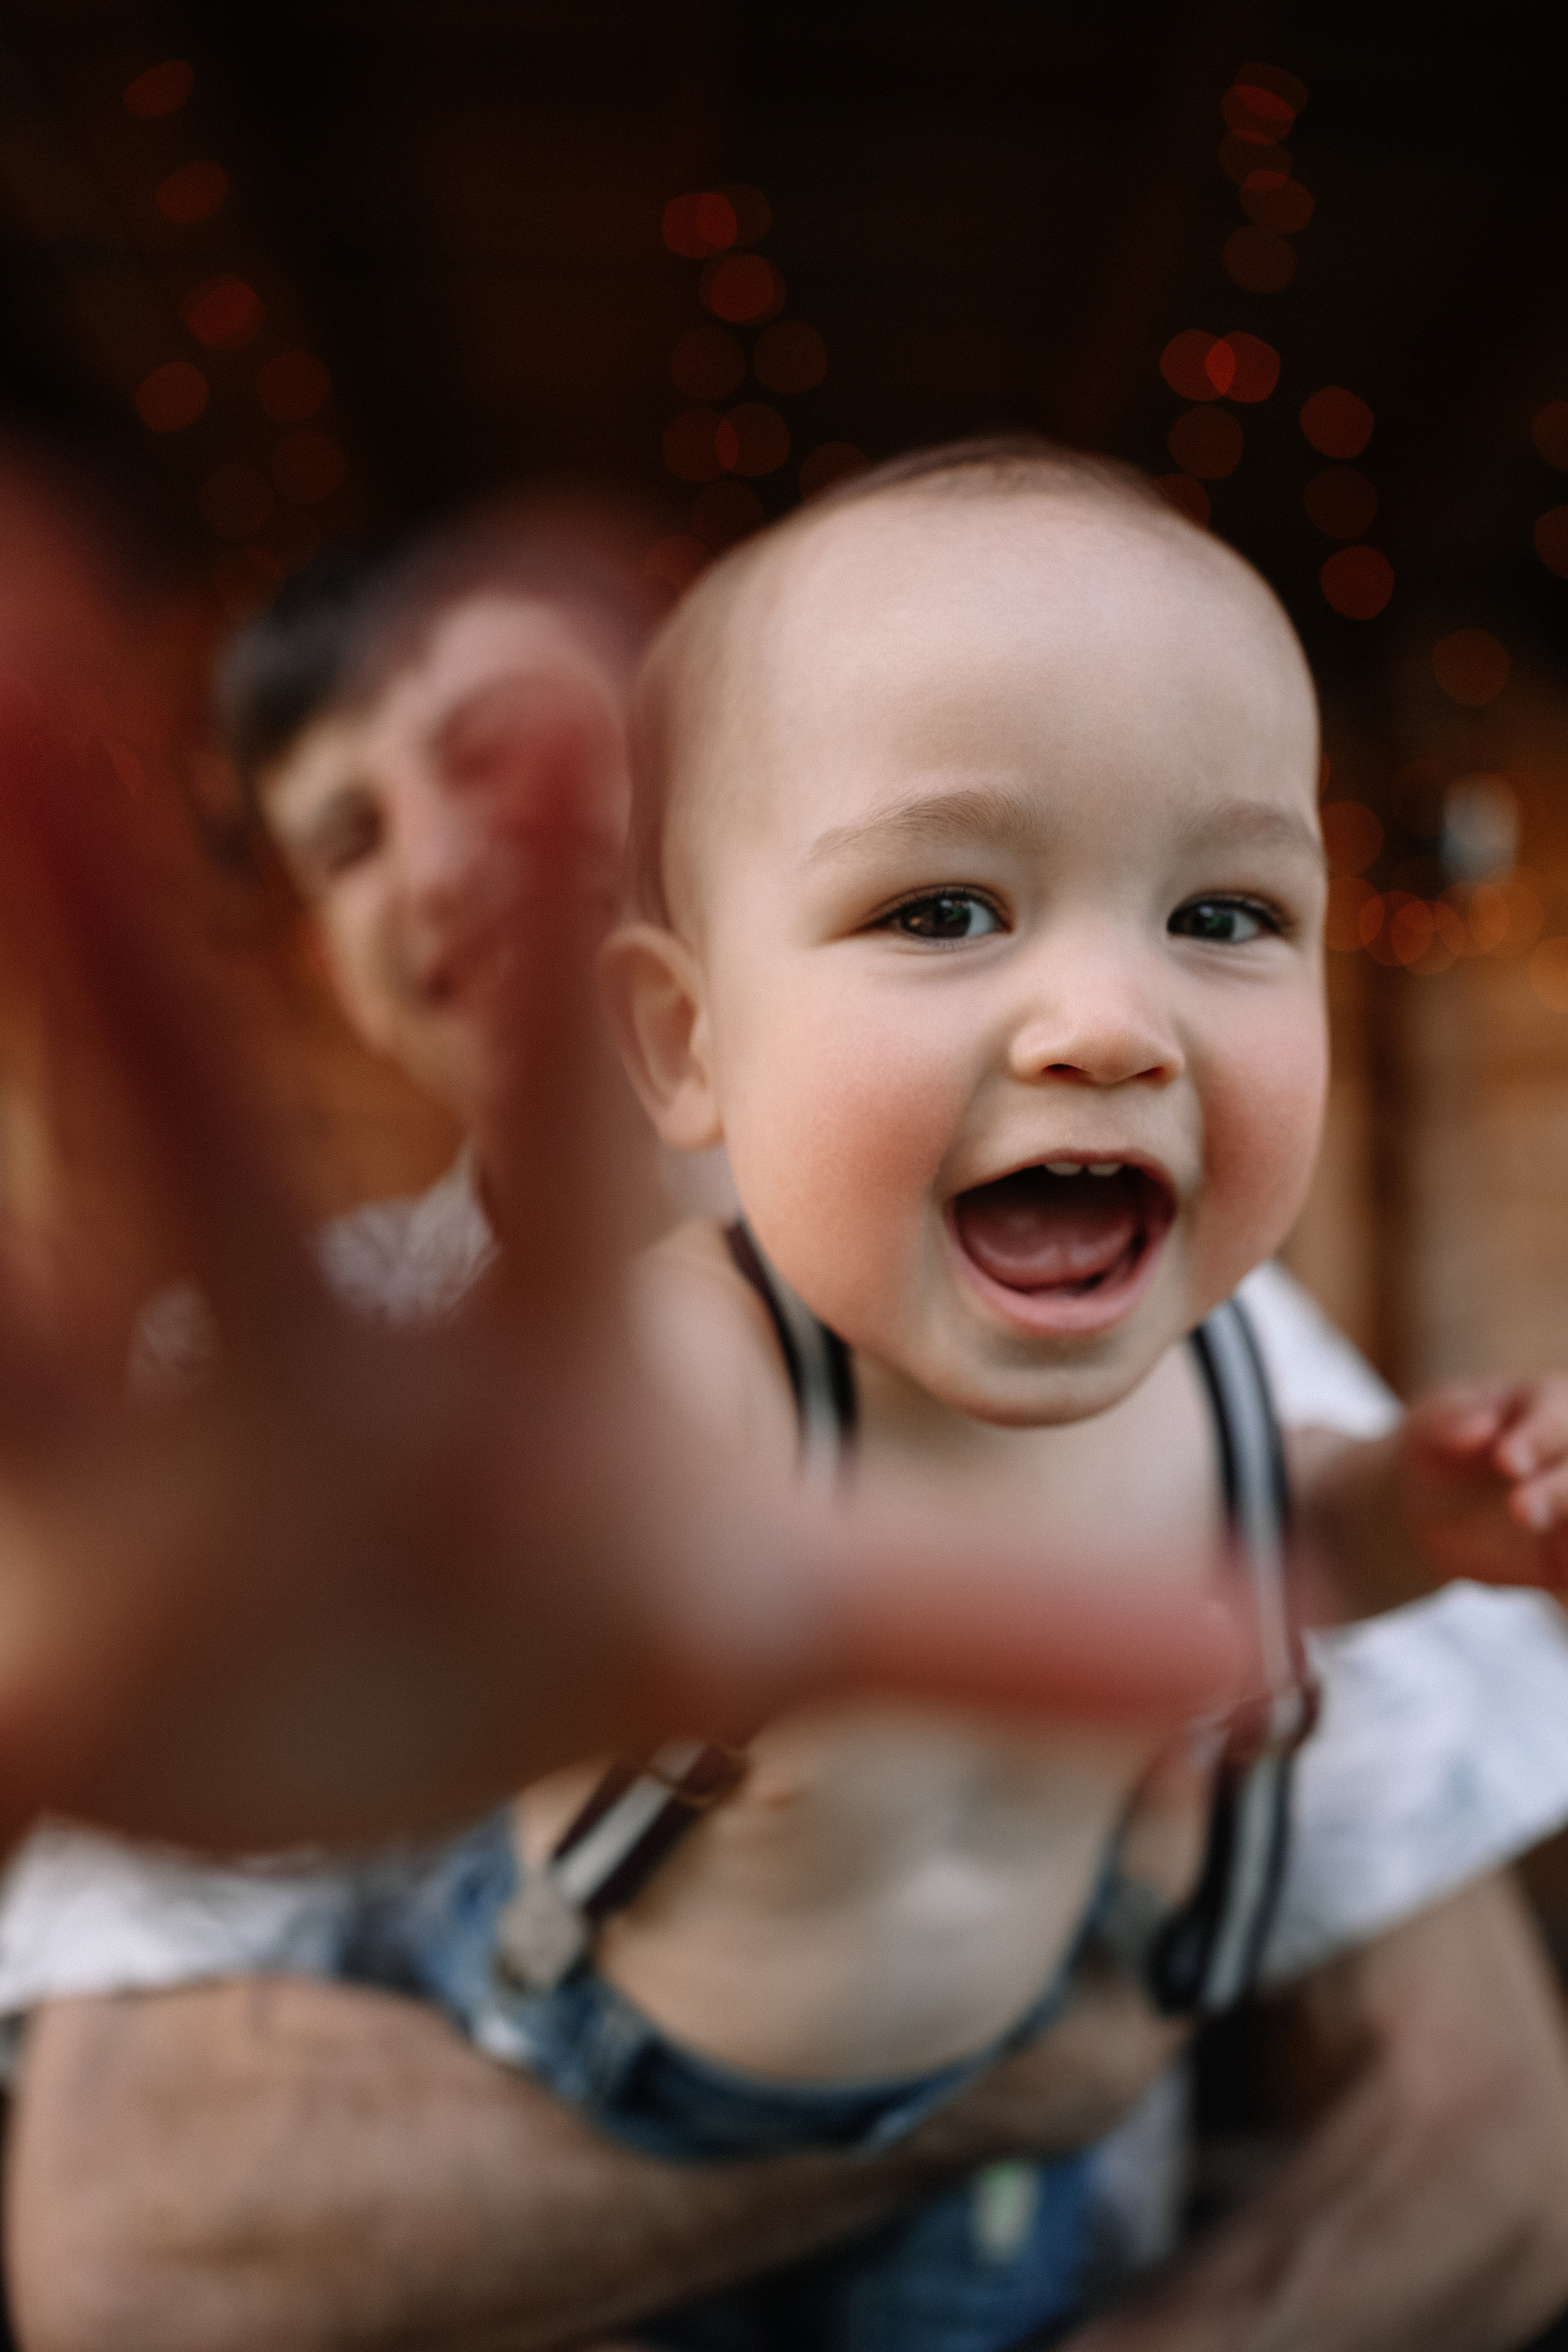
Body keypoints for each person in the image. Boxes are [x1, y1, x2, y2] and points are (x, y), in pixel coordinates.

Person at [7, 483, 1568, 2352]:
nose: (1108, 1021)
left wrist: (1435, 1507)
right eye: (347, 832)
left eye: (1225, 912)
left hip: (1021, 2241)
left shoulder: (1204, 1341)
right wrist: (454, 1591)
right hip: (628, 2142)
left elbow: (1487, 2134)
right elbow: (121, 2263)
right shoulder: (493, 1383)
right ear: (679, 1033)